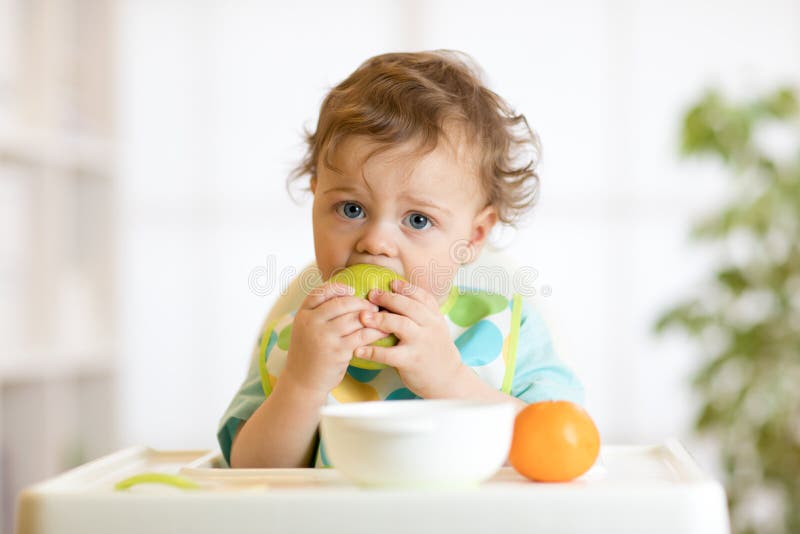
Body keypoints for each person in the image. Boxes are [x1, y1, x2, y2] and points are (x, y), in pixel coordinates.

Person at [218, 50, 584, 468]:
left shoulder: (505, 330)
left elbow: (560, 449)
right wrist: (301, 386)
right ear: (317, 196)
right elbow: (248, 475)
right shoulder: (297, 341)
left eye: (417, 219)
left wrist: (450, 379)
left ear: (474, 235)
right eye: (351, 209)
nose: (375, 243)